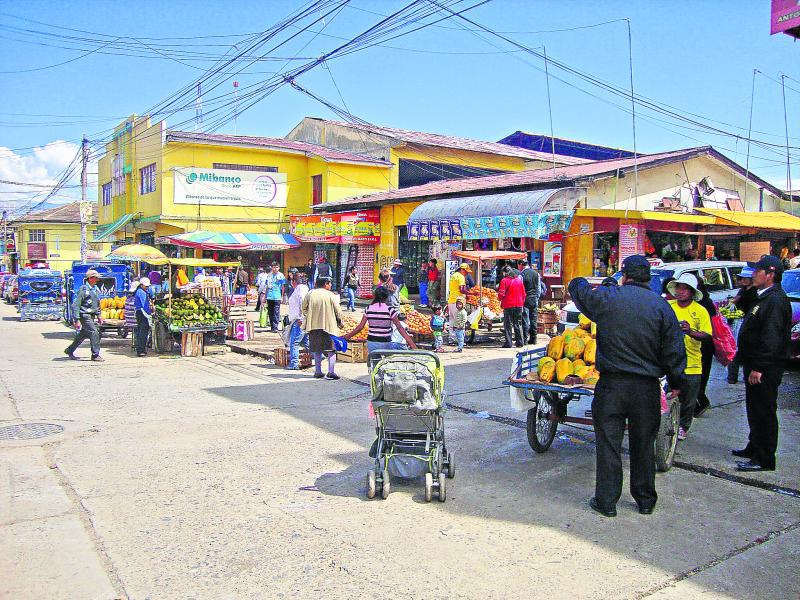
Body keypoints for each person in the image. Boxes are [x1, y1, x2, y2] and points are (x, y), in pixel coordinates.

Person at [568, 255, 685, 517]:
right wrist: (677, 382)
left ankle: (606, 502)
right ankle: (645, 500)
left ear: (625, 275)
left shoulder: (609, 298)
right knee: (644, 444)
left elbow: (579, 290)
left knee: (609, 443)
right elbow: (674, 350)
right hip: (646, 388)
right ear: (648, 278)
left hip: (612, 386)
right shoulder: (662, 306)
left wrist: (587, 281)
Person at [732, 255, 792, 472]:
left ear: (770, 274)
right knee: (754, 408)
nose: (753, 275)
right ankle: (754, 446)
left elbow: (771, 338)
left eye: (757, 271)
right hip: (754, 362)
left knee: (763, 411)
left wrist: (759, 367)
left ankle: (764, 457)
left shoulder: (775, 301)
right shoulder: (762, 296)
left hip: (765, 367)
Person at [666, 274, 712, 440]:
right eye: (679, 287)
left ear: (692, 292)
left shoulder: (700, 311)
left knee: (689, 401)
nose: (681, 291)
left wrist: (690, 331)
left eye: (685, 288)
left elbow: (707, 335)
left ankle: (683, 427)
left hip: (692, 363)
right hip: (669, 362)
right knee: (668, 396)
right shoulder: (667, 306)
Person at [345, 286, 416, 354]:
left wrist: (348, 336)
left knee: (374, 363)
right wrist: (412, 344)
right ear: (387, 297)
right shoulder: (390, 310)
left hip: (371, 342)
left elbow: (360, 326)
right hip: (385, 343)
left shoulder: (368, 309)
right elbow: (400, 328)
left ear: (375, 296)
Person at [302, 277, 344, 380]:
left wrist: (310, 316)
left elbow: (303, 308)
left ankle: (318, 371)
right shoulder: (331, 295)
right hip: (329, 326)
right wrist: (340, 322)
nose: (330, 286)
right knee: (331, 350)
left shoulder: (310, 294)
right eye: (330, 284)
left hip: (313, 326)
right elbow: (338, 311)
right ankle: (331, 372)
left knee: (317, 350)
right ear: (326, 284)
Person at [65, 269, 105, 362]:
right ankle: (95, 355)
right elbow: (76, 305)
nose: (97, 280)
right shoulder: (83, 290)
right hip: (85, 315)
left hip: (91, 315)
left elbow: (97, 303)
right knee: (95, 332)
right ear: (90, 278)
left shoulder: (94, 289)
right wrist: (77, 319)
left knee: (83, 334)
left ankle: (69, 350)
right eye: (96, 278)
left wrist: (99, 315)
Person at [727, 267, 757, 384]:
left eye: (746, 278)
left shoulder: (754, 292)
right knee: (734, 350)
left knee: (744, 350)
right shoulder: (742, 291)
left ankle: (745, 376)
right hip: (738, 323)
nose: (743, 280)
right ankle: (732, 377)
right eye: (742, 278)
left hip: (747, 324)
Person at [693, 278, 717, 417]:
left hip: (704, 347)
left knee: (700, 378)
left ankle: (701, 401)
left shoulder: (704, 306)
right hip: (693, 347)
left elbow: (708, 331)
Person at [285, 272, 309, 370]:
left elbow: (302, 303)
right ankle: (319, 355)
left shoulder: (300, 289)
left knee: (294, 342)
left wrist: (301, 317)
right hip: (301, 319)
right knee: (305, 341)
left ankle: (294, 363)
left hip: (299, 320)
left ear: (294, 281)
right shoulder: (304, 288)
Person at [498, 267, 526, 348]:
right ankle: (520, 342)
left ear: (505, 273)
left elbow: (501, 294)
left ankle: (509, 343)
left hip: (508, 305)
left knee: (508, 324)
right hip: (519, 305)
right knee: (518, 323)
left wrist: (499, 299)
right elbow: (524, 294)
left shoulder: (504, 281)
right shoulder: (519, 280)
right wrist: (521, 303)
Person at [518, 258, 541, 344]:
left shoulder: (522, 274)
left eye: (518, 265)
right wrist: (537, 298)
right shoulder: (536, 274)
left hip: (525, 299)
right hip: (534, 298)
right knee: (533, 319)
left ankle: (524, 339)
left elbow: (520, 289)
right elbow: (539, 288)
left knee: (525, 319)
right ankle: (533, 339)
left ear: (521, 264)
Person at [448, 263, 471, 343]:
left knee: (451, 320)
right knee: (459, 321)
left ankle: (451, 338)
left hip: (451, 300)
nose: (467, 273)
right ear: (462, 269)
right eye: (466, 271)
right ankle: (459, 340)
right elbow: (461, 289)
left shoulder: (453, 275)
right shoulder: (461, 277)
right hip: (458, 302)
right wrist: (470, 293)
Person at [134, 277, 153, 357]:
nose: (147, 287)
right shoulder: (140, 292)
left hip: (141, 312)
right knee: (143, 332)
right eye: (146, 286)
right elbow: (144, 305)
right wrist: (150, 312)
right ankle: (140, 350)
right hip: (142, 313)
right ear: (141, 285)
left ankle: (141, 349)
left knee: (142, 331)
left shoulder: (142, 291)